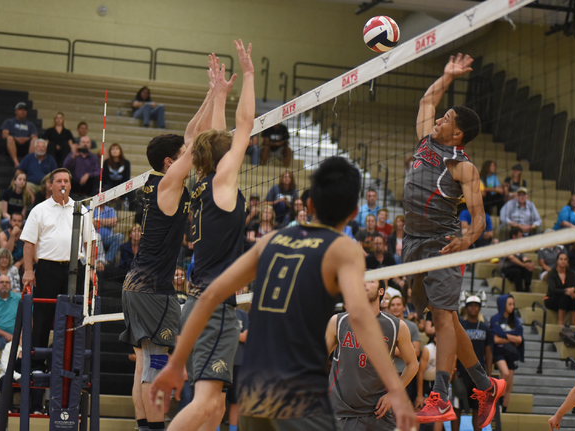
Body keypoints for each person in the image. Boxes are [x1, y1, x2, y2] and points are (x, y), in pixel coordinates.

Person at [150, 155, 417, 431]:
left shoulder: (269, 242)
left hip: (254, 391)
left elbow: (207, 296)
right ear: (354, 213)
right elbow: (360, 316)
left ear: (310, 204)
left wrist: (175, 363)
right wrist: (396, 388)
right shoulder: (343, 248)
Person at [119, 52, 227, 431]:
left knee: (144, 367)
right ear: (170, 163)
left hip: (140, 285)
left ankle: (145, 428)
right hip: (151, 289)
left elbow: (189, 137)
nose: (188, 157)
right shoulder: (168, 183)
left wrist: (212, 94)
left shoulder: (159, 182)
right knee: (154, 365)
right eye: (180, 157)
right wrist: (218, 97)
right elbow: (195, 141)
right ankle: (158, 428)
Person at [150, 41, 253, 431]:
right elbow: (242, 127)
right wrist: (249, 75)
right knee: (208, 401)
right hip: (211, 306)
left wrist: (219, 94)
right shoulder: (222, 184)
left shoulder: (203, 183)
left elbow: (215, 135)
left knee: (214, 405)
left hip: (207, 303)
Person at [403, 53, 504, 426]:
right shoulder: (424, 143)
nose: (439, 118)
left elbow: (479, 219)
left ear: (457, 134)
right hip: (412, 241)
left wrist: (466, 240)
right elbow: (427, 101)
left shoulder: (464, 167)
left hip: (442, 242)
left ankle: (440, 396)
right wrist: (447, 75)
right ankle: (485, 384)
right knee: (439, 316)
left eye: (447, 119)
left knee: (443, 318)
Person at [20, 168, 94, 371]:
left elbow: (90, 243)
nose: (63, 184)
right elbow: (28, 243)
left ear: (70, 185)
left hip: (74, 269)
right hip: (47, 268)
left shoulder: (81, 209)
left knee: (74, 315)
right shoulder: (40, 209)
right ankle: (36, 363)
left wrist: (91, 269)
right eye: (59, 181)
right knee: (43, 315)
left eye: (66, 181)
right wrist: (28, 270)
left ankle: (70, 363)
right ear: (50, 185)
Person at [326, 280, 418, 430]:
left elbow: (413, 365)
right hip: (342, 411)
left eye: (370, 281)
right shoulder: (338, 321)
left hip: (377, 412)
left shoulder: (397, 326)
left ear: (381, 291)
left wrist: (393, 394)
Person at [452, 295, 493, 431]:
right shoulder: (460, 326)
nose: (473, 308)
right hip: (461, 372)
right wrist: (454, 372)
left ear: (480, 308)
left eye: (476, 305)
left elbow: (488, 353)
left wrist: (489, 376)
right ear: (466, 308)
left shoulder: (485, 328)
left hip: (479, 374)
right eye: (470, 305)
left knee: (478, 408)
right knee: (457, 407)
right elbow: (454, 349)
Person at [490, 294, 523, 414]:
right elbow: (495, 339)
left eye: (513, 304)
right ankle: (497, 402)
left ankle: (504, 409)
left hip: (512, 353)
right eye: (509, 304)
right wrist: (512, 337)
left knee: (509, 384)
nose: (512, 306)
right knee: (505, 373)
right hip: (499, 352)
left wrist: (504, 336)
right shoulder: (495, 319)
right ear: (503, 305)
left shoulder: (515, 321)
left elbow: (520, 339)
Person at [387, 294, 422, 401]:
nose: (395, 307)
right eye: (392, 305)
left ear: (403, 307)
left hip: (406, 373)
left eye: (398, 304)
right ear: (389, 308)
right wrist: (406, 350)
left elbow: (416, 352)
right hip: (387, 374)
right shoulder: (383, 325)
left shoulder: (412, 326)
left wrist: (393, 351)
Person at [226, 306, 249, 431]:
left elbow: (246, 337)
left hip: (239, 362)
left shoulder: (243, 314)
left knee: (235, 401)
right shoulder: (219, 311)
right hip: (223, 362)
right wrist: (238, 335)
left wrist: (228, 333)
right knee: (219, 401)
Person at [415, 335, 443, 431]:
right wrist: (419, 395)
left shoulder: (448, 350)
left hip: (438, 383)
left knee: (439, 411)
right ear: (435, 338)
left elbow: (451, 372)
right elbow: (420, 373)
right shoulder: (428, 349)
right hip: (424, 381)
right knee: (419, 407)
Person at [544, 252, 575, 325]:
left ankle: (573, 322)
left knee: (574, 297)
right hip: (551, 298)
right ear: (557, 261)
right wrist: (566, 291)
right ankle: (560, 322)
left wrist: (572, 291)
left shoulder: (572, 273)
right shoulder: (552, 273)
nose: (563, 261)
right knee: (565, 296)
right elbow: (553, 289)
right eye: (561, 259)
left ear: (567, 261)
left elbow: (574, 287)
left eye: (565, 259)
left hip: (567, 299)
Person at [1, 102, 38, 167]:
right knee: (9, 138)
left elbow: (34, 136)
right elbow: (4, 134)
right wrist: (16, 138)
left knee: (35, 140)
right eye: (20, 109)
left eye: (24, 110)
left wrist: (25, 139)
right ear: (16, 111)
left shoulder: (31, 125)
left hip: (26, 144)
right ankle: (16, 162)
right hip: (13, 143)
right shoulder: (9, 122)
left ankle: (29, 162)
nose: (23, 111)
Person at [500, 227, 534, 292]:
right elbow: (511, 258)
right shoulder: (506, 245)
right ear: (514, 236)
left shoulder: (520, 246)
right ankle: (519, 291)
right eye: (520, 236)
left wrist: (529, 263)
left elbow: (524, 257)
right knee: (517, 272)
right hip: (507, 268)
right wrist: (523, 265)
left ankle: (527, 288)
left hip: (518, 266)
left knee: (528, 268)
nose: (522, 238)